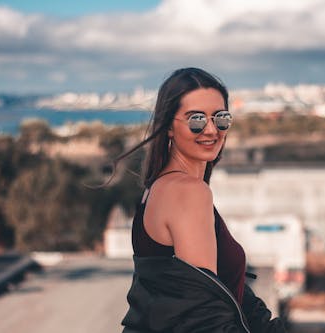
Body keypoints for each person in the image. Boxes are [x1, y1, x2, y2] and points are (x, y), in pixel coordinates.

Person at [120, 68, 287, 332]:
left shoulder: (159, 188)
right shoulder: (187, 191)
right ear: (169, 127)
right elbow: (204, 319)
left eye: (220, 118)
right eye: (195, 119)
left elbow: (226, 295)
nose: (211, 130)